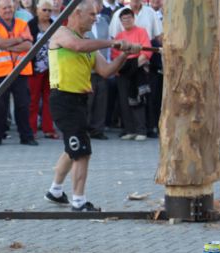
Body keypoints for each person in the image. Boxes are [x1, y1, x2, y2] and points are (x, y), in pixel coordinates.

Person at [43, 0, 140, 212]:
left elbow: (106, 71)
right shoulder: (61, 33)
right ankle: (79, 201)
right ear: (77, 13)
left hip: (79, 101)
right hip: (63, 99)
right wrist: (114, 42)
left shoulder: (89, 42)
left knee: (74, 147)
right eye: (92, 15)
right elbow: (77, 47)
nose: (96, 19)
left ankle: (55, 191)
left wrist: (125, 54)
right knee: (82, 151)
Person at [0, 0, 37, 146]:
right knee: (0, 106)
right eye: (4, 8)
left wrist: (8, 44)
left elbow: (28, 45)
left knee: (23, 105)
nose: (8, 10)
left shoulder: (22, 23)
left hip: (20, 71)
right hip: (0, 71)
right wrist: (19, 40)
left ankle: (26, 137)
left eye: (9, 7)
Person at [111, 7, 151, 141]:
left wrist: (134, 66)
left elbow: (146, 52)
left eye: (129, 18)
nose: (126, 21)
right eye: (124, 19)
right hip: (122, 70)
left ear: (133, 19)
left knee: (138, 100)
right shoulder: (119, 37)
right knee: (124, 101)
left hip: (138, 68)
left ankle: (141, 130)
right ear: (120, 21)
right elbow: (115, 56)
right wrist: (121, 69)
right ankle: (129, 130)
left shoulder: (141, 31)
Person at [27, 0, 57, 139]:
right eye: (44, 10)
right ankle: (31, 129)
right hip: (35, 67)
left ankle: (48, 128)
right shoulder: (31, 25)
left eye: (49, 10)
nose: (47, 13)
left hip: (51, 67)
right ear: (37, 10)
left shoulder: (54, 25)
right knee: (33, 99)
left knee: (49, 99)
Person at [85, 5, 110, 139]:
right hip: (88, 69)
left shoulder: (104, 22)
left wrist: (110, 62)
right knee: (88, 101)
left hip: (102, 68)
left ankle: (97, 130)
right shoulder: (83, 25)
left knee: (101, 100)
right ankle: (84, 129)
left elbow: (109, 42)